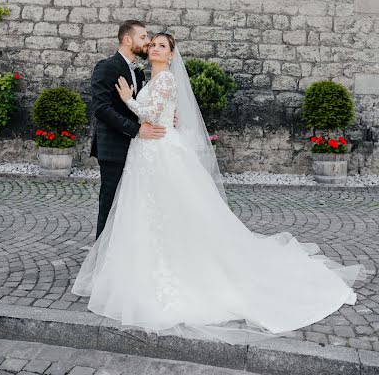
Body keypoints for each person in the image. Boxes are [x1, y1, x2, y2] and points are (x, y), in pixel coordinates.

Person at [72, 32, 366, 345]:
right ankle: (137, 268)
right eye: (152, 43)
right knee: (147, 211)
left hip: (160, 151)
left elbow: (151, 114)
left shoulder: (166, 80)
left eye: (161, 45)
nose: (155, 48)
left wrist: (130, 99)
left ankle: (179, 267)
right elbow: (156, 113)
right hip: (146, 152)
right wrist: (136, 98)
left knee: (171, 209)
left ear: (171, 55)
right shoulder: (148, 78)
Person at [90, 20, 166, 239]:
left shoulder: (139, 73)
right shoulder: (107, 66)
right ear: (127, 39)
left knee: (131, 205)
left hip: (138, 149)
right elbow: (101, 108)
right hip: (113, 147)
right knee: (110, 203)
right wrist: (136, 130)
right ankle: (100, 259)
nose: (149, 42)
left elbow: (142, 108)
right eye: (143, 37)